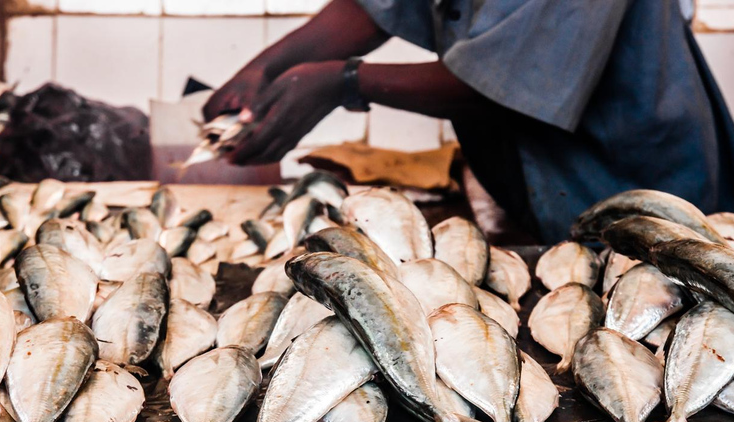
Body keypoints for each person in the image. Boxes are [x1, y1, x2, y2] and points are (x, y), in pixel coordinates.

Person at [203, 0, 734, 243]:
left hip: (635, 179)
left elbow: (514, 82)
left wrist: (341, 82)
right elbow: (381, 5)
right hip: (545, 186)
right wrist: (269, 67)